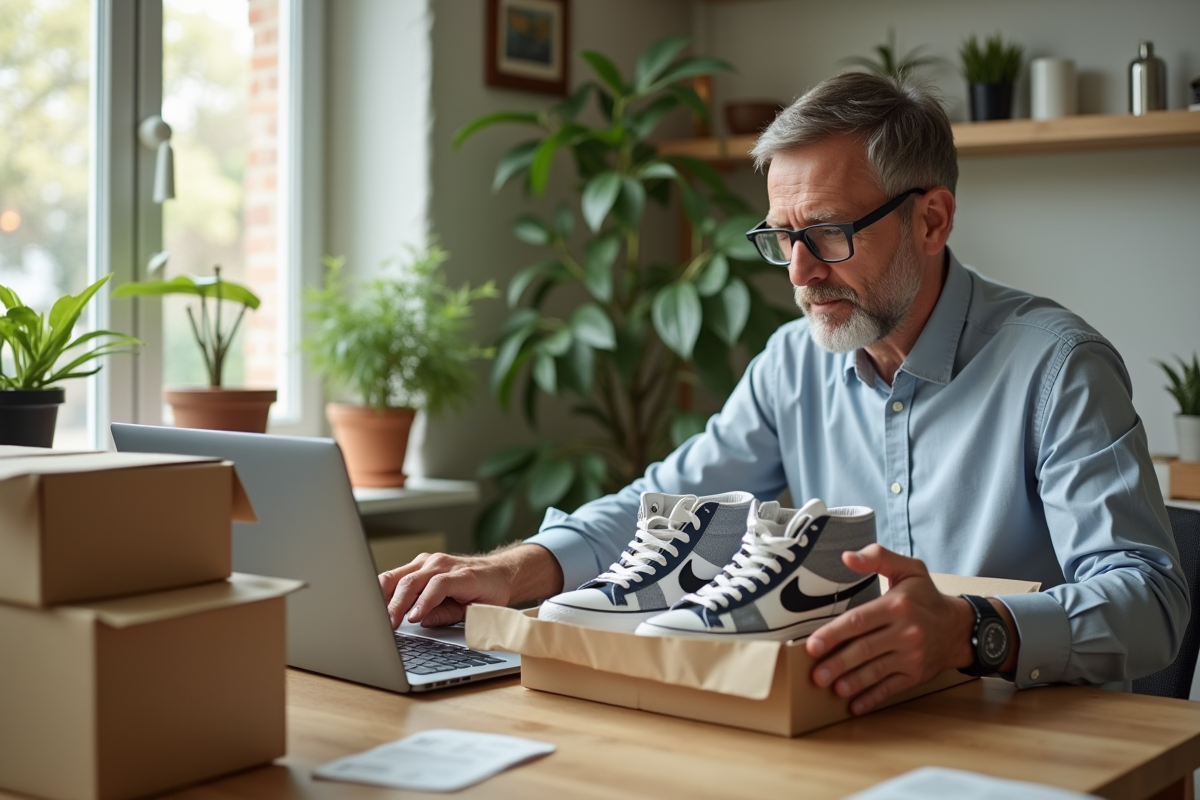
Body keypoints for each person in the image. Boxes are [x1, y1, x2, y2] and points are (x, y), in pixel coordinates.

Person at [379, 72, 1189, 714]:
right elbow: (671, 501)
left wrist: (973, 630)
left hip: (1031, 739)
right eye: (781, 238)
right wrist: (518, 569)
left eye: (828, 233)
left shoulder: (1058, 367)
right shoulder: (792, 361)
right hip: (846, 724)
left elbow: (1151, 604)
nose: (800, 273)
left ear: (932, 220)